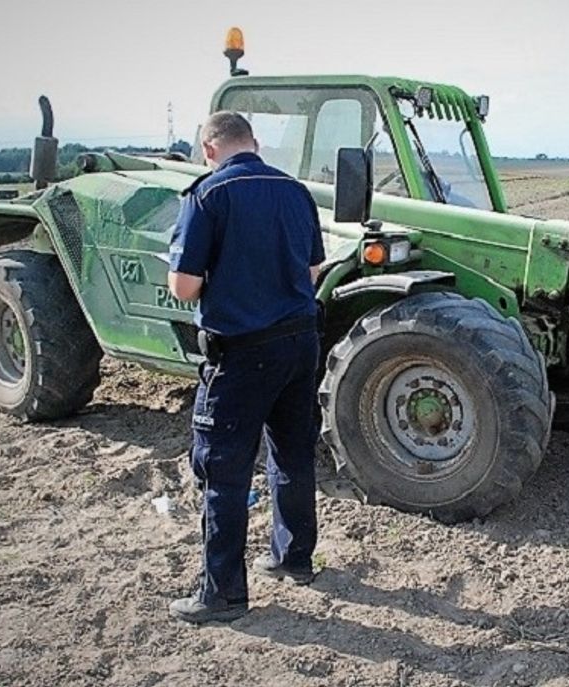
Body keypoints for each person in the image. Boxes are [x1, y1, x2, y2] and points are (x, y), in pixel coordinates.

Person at [167, 111, 325, 624]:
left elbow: (184, 286)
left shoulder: (208, 196)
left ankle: (223, 596)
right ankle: (294, 557)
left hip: (242, 351)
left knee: (223, 471)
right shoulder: (296, 192)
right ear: (253, 143)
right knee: (293, 452)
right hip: (301, 342)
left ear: (209, 149)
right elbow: (312, 268)